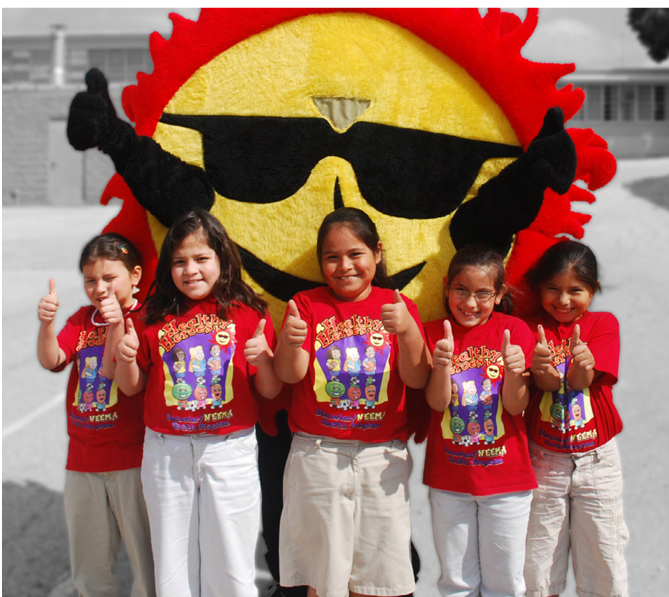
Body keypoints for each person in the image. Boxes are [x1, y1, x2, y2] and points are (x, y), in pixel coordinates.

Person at [114, 210, 282, 597]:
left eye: (201, 258)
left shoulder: (249, 313)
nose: (190, 270)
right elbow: (131, 387)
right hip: (166, 453)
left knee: (233, 568)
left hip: (230, 451)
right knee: (173, 569)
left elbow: (270, 391)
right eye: (179, 261)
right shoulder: (150, 316)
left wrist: (263, 359)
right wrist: (125, 359)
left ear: (222, 259)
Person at [273, 207, 430, 597]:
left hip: (382, 460)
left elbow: (418, 378)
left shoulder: (398, 305)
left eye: (355, 254)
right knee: (323, 580)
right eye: (332, 257)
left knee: (380, 580)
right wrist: (291, 341)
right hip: (318, 457)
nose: (344, 266)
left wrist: (408, 331)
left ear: (376, 253)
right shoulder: (306, 305)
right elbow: (289, 375)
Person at [37, 233, 154, 597]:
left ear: (135, 275)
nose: (98, 287)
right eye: (90, 280)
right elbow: (53, 359)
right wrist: (47, 324)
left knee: (147, 566)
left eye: (108, 278)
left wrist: (118, 322)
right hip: (84, 461)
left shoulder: (147, 318)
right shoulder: (81, 319)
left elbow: (112, 370)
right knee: (89, 568)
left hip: (133, 460)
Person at [422, 243, 536, 597]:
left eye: (483, 293)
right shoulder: (431, 333)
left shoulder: (515, 331)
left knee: (505, 583)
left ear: (500, 294)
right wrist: (441, 365)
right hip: (449, 481)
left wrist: (516, 371)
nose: (470, 303)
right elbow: (436, 403)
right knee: (456, 582)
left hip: (506, 481)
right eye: (461, 290)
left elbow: (516, 408)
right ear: (446, 286)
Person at [523, 240, 628, 597]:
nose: (563, 300)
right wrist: (543, 373)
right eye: (553, 289)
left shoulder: (603, 325)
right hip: (544, 461)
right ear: (538, 288)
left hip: (597, 462)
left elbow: (584, 382)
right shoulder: (527, 328)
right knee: (538, 565)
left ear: (593, 290)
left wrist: (581, 365)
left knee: (605, 560)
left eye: (576, 290)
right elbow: (544, 387)